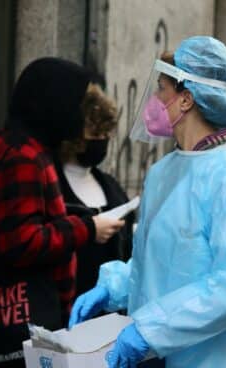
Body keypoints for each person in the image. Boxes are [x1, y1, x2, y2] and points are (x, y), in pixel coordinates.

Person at [69, 36, 226, 368]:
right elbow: (157, 264)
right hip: (164, 357)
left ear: (186, 100)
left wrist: (149, 330)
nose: (154, 99)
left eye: (161, 88)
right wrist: (114, 288)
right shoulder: (163, 172)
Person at [0, 58, 124, 367]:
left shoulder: (25, 147)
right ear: (53, 103)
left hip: (28, 319)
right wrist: (86, 228)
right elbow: (22, 243)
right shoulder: (23, 156)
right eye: (76, 104)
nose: (79, 115)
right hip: (24, 321)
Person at [55, 83, 134, 296]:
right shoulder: (53, 188)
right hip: (67, 302)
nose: (101, 141)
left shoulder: (111, 186)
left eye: (105, 133)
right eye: (94, 134)